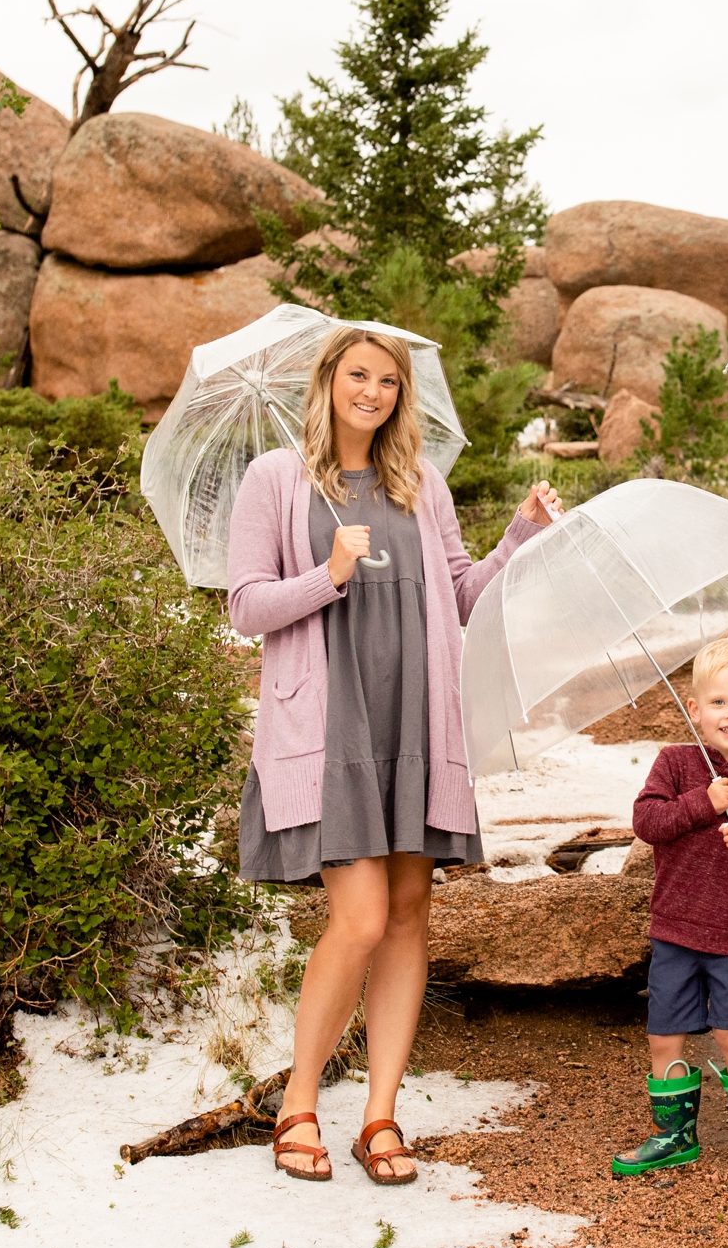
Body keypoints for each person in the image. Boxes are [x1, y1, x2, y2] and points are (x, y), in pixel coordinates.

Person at [225, 325, 561, 1185]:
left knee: (410, 911)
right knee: (363, 917)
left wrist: (518, 537)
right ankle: (299, 1103)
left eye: (387, 381)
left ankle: (380, 1115)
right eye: (358, 374)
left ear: (401, 395)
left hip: (416, 719)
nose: (372, 391)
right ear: (329, 381)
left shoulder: (422, 485)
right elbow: (244, 606)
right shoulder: (275, 479)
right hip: (330, 727)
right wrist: (327, 575)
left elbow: (456, 597)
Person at [611, 637, 728, 1180]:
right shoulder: (675, 763)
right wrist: (702, 804)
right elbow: (648, 823)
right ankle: (674, 1134)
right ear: (695, 710)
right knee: (663, 1032)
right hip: (676, 928)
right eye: (718, 703)